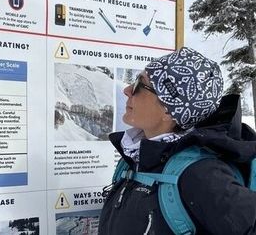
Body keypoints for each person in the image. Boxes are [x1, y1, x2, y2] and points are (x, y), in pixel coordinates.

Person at [98, 46, 256, 235]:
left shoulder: (201, 175)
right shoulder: (134, 159)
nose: (127, 90)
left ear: (168, 108)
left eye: (140, 84)